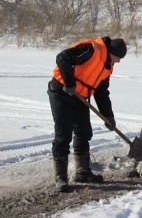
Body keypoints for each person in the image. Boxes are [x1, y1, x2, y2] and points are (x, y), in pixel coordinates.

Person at [47, 36, 127, 192]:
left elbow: (102, 93)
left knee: (84, 132)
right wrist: (69, 83)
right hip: (62, 92)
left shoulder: (107, 67)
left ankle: (82, 172)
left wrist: (108, 116)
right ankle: (61, 178)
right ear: (112, 52)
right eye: (119, 57)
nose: (118, 61)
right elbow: (62, 58)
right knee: (63, 135)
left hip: (80, 97)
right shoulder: (90, 49)